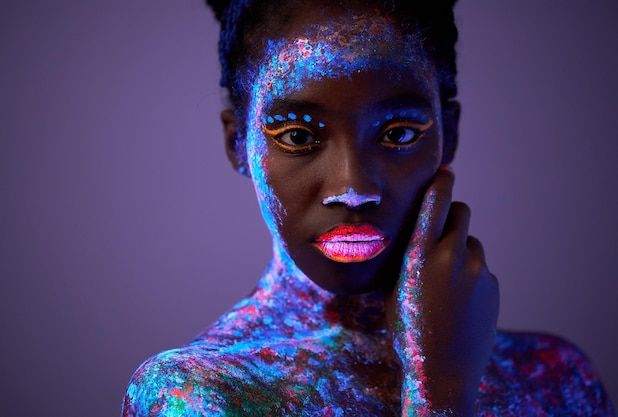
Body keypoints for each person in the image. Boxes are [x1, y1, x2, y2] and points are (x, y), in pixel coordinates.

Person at [122, 0, 615, 415]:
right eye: (297, 136)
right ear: (238, 143)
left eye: (398, 134)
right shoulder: (196, 394)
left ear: (450, 133)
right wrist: (441, 389)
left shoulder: (556, 377)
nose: (354, 188)